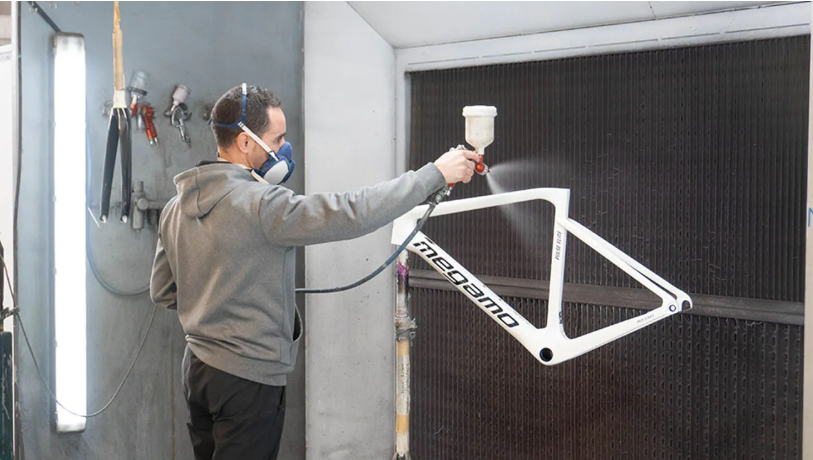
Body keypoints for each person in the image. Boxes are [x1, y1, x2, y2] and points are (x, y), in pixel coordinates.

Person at [150, 83, 478, 460]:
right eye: (277, 139)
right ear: (244, 142)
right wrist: (433, 175)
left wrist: (218, 299)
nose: (284, 148)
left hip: (198, 369)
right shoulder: (262, 205)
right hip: (248, 377)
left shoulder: (175, 207)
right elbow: (352, 212)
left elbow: (163, 291)